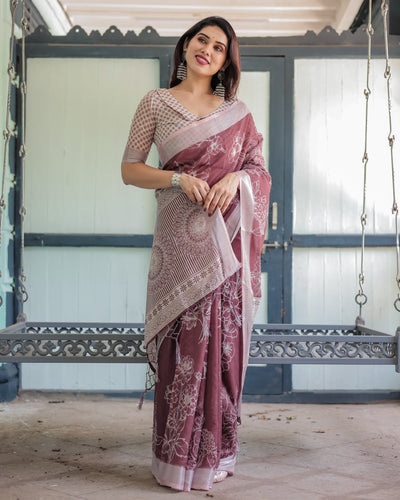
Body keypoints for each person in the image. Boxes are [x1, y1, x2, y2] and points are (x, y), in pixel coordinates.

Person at [121, 16, 271, 492]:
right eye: (201, 40)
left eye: (219, 47)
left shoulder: (238, 114)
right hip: (179, 246)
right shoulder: (156, 102)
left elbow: (258, 171)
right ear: (185, 46)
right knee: (180, 352)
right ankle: (173, 461)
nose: (207, 49)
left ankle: (215, 457)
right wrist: (176, 178)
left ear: (228, 61)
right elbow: (130, 169)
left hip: (225, 248)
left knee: (219, 350)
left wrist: (236, 179)